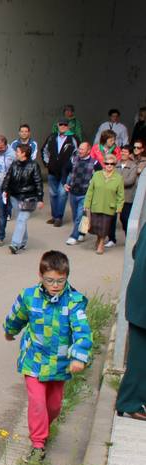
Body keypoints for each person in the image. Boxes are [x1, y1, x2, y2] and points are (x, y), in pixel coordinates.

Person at [3, 250, 92, 462]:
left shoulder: (73, 301)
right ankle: (38, 444)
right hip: (34, 360)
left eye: (60, 281)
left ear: (66, 277)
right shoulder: (29, 296)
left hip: (59, 364)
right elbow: (17, 316)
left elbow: (82, 330)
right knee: (37, 403)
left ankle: (43, 429)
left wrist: (78, 357)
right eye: (49, 280)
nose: (54, 285)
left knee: (53, 406)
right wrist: (10, 330)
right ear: (40, 276)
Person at [116, 224, 146, 421]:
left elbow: (136, 251)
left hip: (138, 298)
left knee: (139, 355)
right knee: (139, 358)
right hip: (142, 303)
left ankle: (129, 401)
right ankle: (129, 402)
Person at [2, 142, 44, 254]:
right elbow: (8, 177)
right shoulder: (14, 164)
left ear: (24, 153)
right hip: (15, 197)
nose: (16, 153)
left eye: (18, 151)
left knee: (21, 219)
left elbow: (38, 182)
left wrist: (40, 198)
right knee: (22, 220)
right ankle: (23, 241)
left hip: (29, 197)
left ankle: (15, 244)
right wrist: (5, 190)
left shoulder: (34, 165)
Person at [84, 154, 125, 255]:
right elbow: (90, 191)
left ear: (115, 165)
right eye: (107, 163)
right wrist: (87, 203)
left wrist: (119, 207)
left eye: (112, 164)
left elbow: (121, 195)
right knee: (96, 226)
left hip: (109, 207)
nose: (109, 165)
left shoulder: (118, 178)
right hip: (96, 205)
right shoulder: (97, 175)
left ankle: (101, 244)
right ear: (104, 164)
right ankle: (98, 239)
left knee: (105, 227)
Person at [43, 119, 78, 227]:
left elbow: (77, 153)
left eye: (65, 125)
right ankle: (54, 216)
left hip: (66, 173)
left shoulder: (73, 138)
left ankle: (59, 217)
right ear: (57, 125)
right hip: (52, 171)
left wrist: (72, 167)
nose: (63, 126)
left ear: (68, 126)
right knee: (53, 194)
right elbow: (44, 151)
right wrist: (48, 164)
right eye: (61, 124)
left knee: (62, 194)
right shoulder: (52, 137)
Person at [64, 141, 97, 247]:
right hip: (73, 192)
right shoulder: (73, 159)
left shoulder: (95, 163)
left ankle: (74, 236)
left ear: (89, 150)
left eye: (82, 149)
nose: (80, 151)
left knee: (80, 215)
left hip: (86, 194)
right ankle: (82, 232)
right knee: (76, 216)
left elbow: (100, 176)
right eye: (79, 148)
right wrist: (64, 183)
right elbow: (64, 170)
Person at [120, 140, 145, 239]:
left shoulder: (144, 160)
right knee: (124, 216)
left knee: (136, 215)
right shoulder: (128, 157)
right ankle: (129, 235)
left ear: (142, 149)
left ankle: (134, 236)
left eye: (138, 148)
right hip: (128, 191)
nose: (136, 149)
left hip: (139, 190)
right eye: (134, 147)